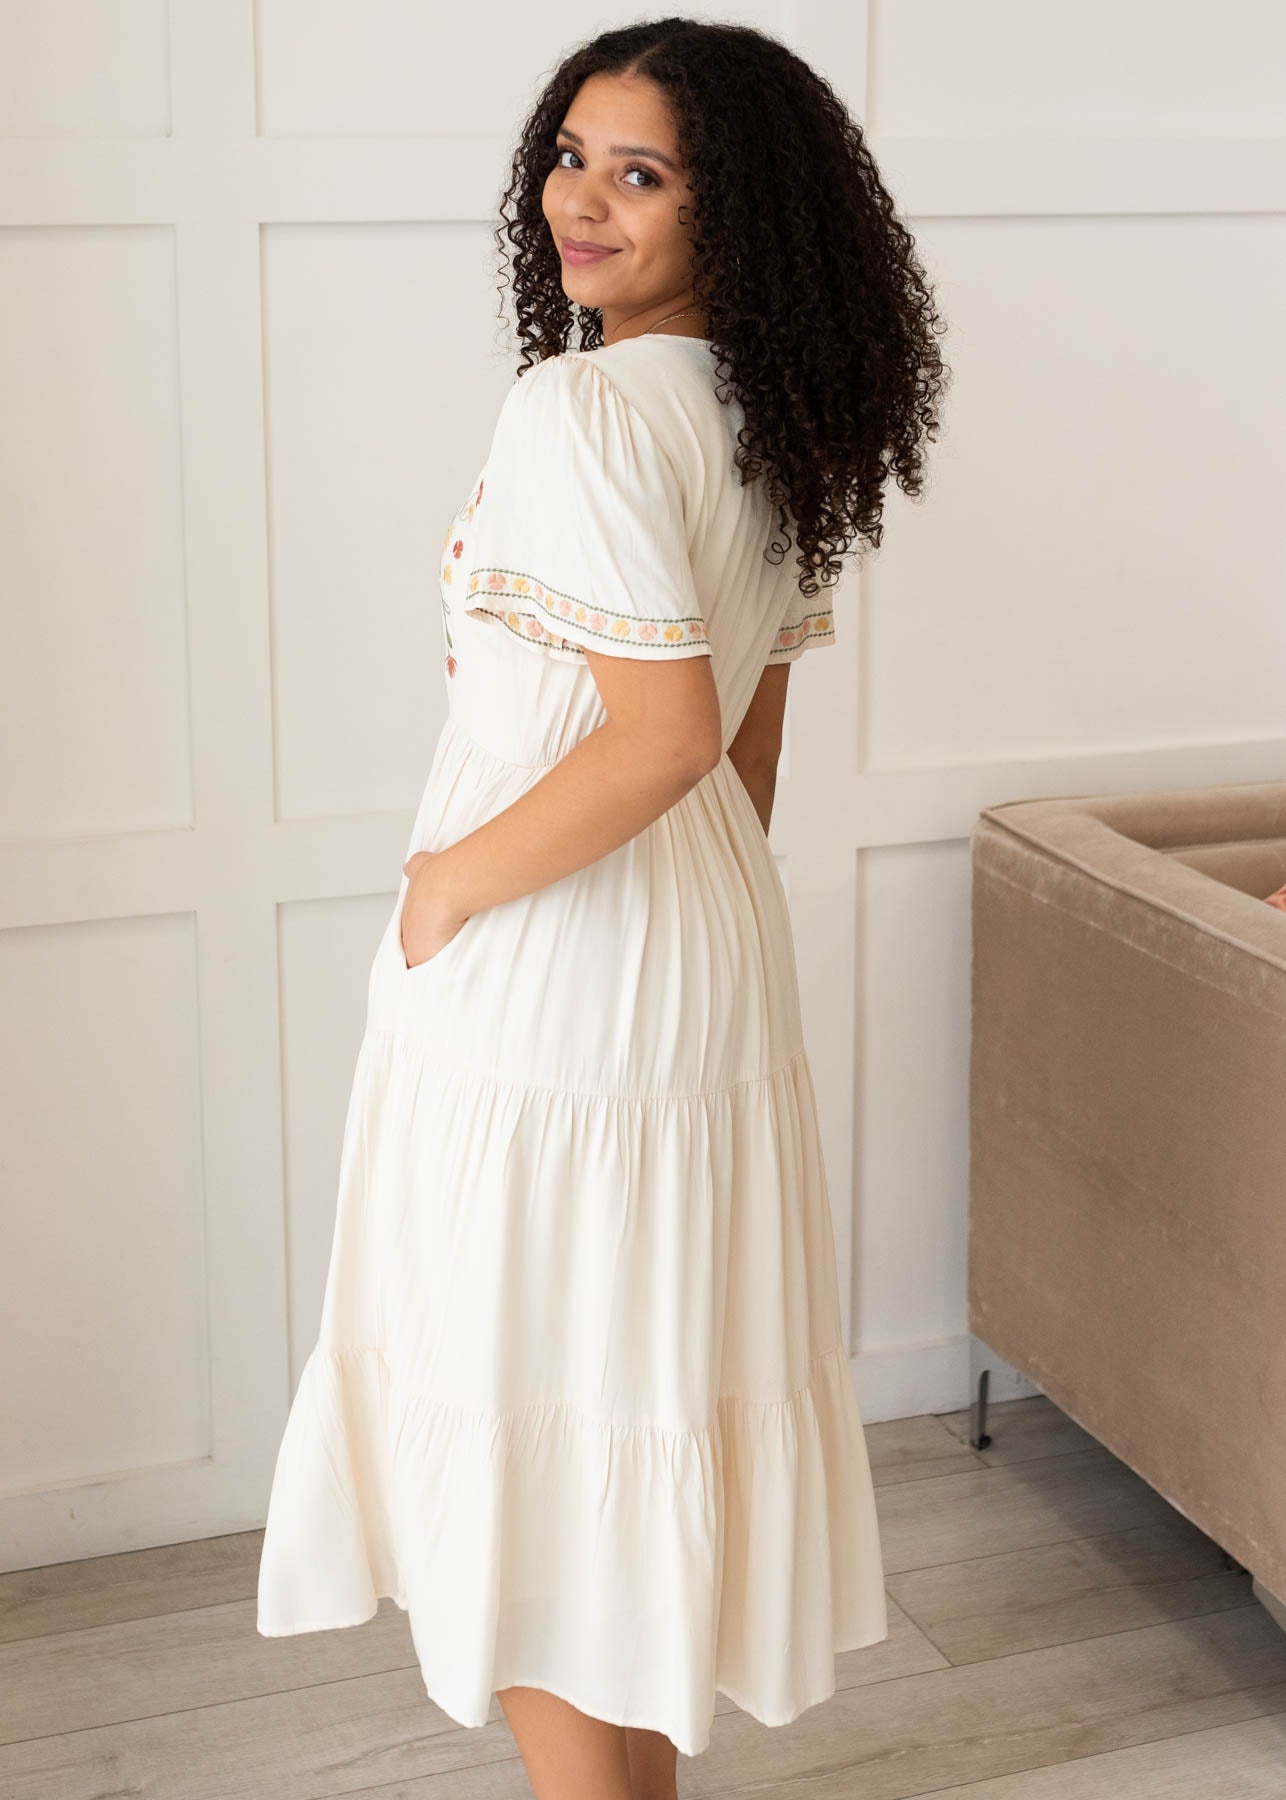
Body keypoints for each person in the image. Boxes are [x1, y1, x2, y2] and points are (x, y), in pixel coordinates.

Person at [256, 17, 948, 1799]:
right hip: (696, 956)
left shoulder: (578, 408)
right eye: (572, 156)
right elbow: (739, 765)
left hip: (552, 972)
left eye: (641, 173)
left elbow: (657, 739)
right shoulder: (770, 416)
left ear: (746, 213)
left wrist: (439, 890)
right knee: (622, 1423)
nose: (581, 200)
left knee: (547, 1450)